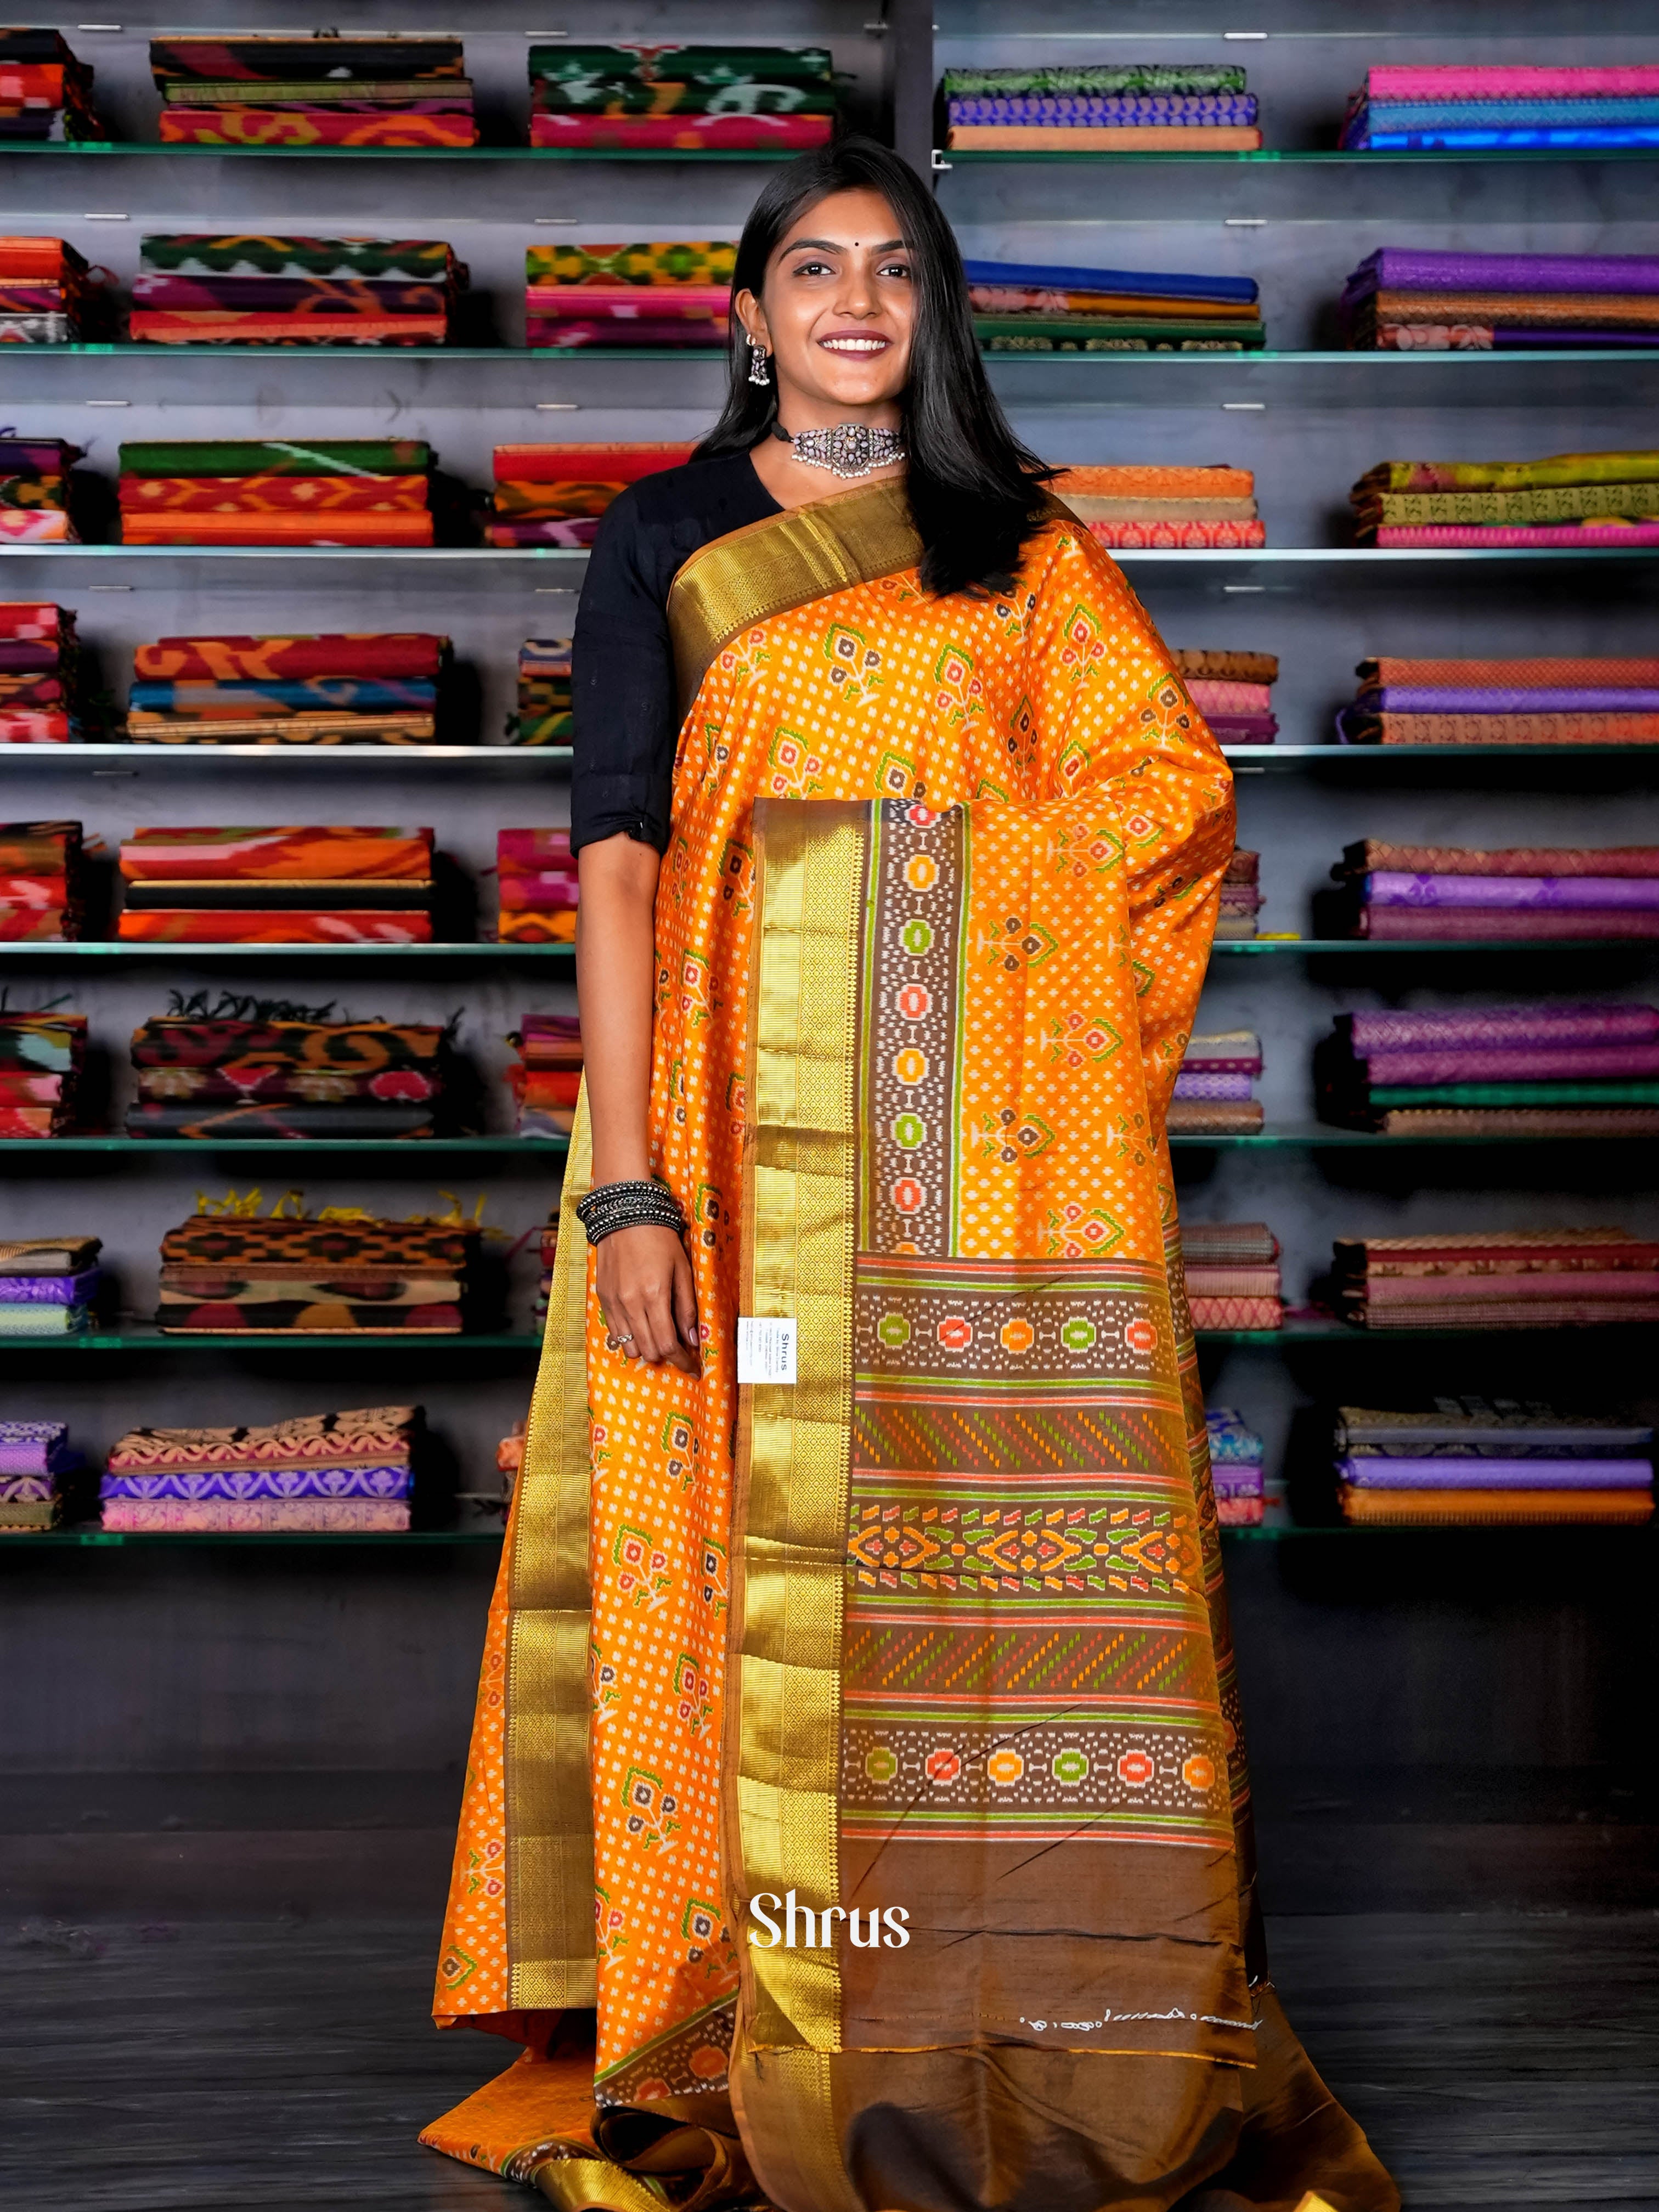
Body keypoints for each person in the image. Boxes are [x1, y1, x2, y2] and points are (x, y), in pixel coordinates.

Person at [422, 136, 1398, 2212]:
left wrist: (920, 900)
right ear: (749, 313)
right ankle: (740, 2017)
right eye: (811, 268)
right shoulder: (665, 539)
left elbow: (1161, 802)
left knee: (963, 1600)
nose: (854, 301)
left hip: (988, 1183)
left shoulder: (1016, 545)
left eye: (894, 270)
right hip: (726, 1149)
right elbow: (619, 866)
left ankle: (1031, 2014)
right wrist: (628, 1198)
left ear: (933, 313)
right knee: (726, 1582)